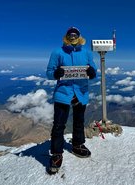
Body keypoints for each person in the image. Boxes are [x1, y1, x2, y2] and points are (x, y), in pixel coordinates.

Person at [46, 27, 97, 174]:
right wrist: (56, 73)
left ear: (79, 36)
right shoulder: (58, 52)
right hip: (63, 93)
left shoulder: (86, 52)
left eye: (75, 34)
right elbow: (49, 73)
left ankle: (77, 145)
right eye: (70, 34)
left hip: (80, 92)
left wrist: (92, 73)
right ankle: (56, 154)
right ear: (66, 36)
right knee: (58, 125)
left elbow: (93, 71)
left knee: (79, 121)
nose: (73, 36)